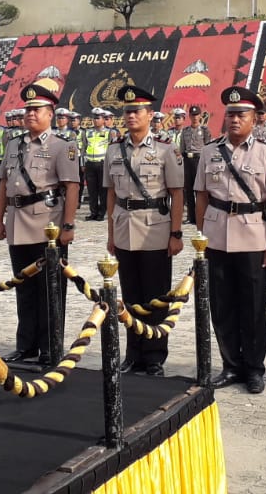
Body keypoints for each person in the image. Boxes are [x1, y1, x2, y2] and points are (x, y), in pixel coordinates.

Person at [196, 86, 266, 394]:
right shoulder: (209, 151)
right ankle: (231, 365)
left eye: (241, 115)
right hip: (217, 237)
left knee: (253, 306)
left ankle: (255, 369)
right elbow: (202, 196)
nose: (234, 120)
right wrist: (200, 238)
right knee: (222, 306)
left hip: (252, 237)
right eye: (230, 114)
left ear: (254, 119)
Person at [0, 85, 81, 365]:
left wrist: (68, 225)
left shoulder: (62, 146)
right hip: (18, 222)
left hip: (48, 225)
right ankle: (26, 345)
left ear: (50, 114)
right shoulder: (13, 145)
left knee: (50, 290)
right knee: (24, 288)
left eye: (36, 110)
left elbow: (72, 188)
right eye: (28, 109)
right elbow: (4, 185)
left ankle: (50, 346)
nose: (30, 114)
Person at [104, 85, 184, 376]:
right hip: (125, 228)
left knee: (156, 297)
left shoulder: (165, 149)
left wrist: (176, 234)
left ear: (150, 115)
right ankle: (133, 353)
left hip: (155, 229)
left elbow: (176, 193)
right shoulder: (115, 149)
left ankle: (154, 356)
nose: (130, 116)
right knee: (131, 297)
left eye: (136, 111)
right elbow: (111, 194)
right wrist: (111, 235)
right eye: (127, 111)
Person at [178, 105, 211, 226]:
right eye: (192, 115)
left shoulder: (205, 130)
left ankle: (200, 216)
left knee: (200, 190)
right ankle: (190, 217)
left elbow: (208, 147)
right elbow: (182, 148)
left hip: (199, 160)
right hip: (188, 160)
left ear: (200, 116)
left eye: (197, 115)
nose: (195, 117)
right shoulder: (185, 131)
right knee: (189, 190)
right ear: (190, 116)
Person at [82, 107, 115, 221]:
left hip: (103, 164)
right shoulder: (87, 132)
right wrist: (83, 164)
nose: (96, 120)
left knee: (103, 191)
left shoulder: (109, 132)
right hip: (90, 164)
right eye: (94, 118)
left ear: (103, 120)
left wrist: (110, 165)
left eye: (98, 118)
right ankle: (93, 212)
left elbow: (112, 149)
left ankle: (101, 213)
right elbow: (83, 149)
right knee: (92, 191)